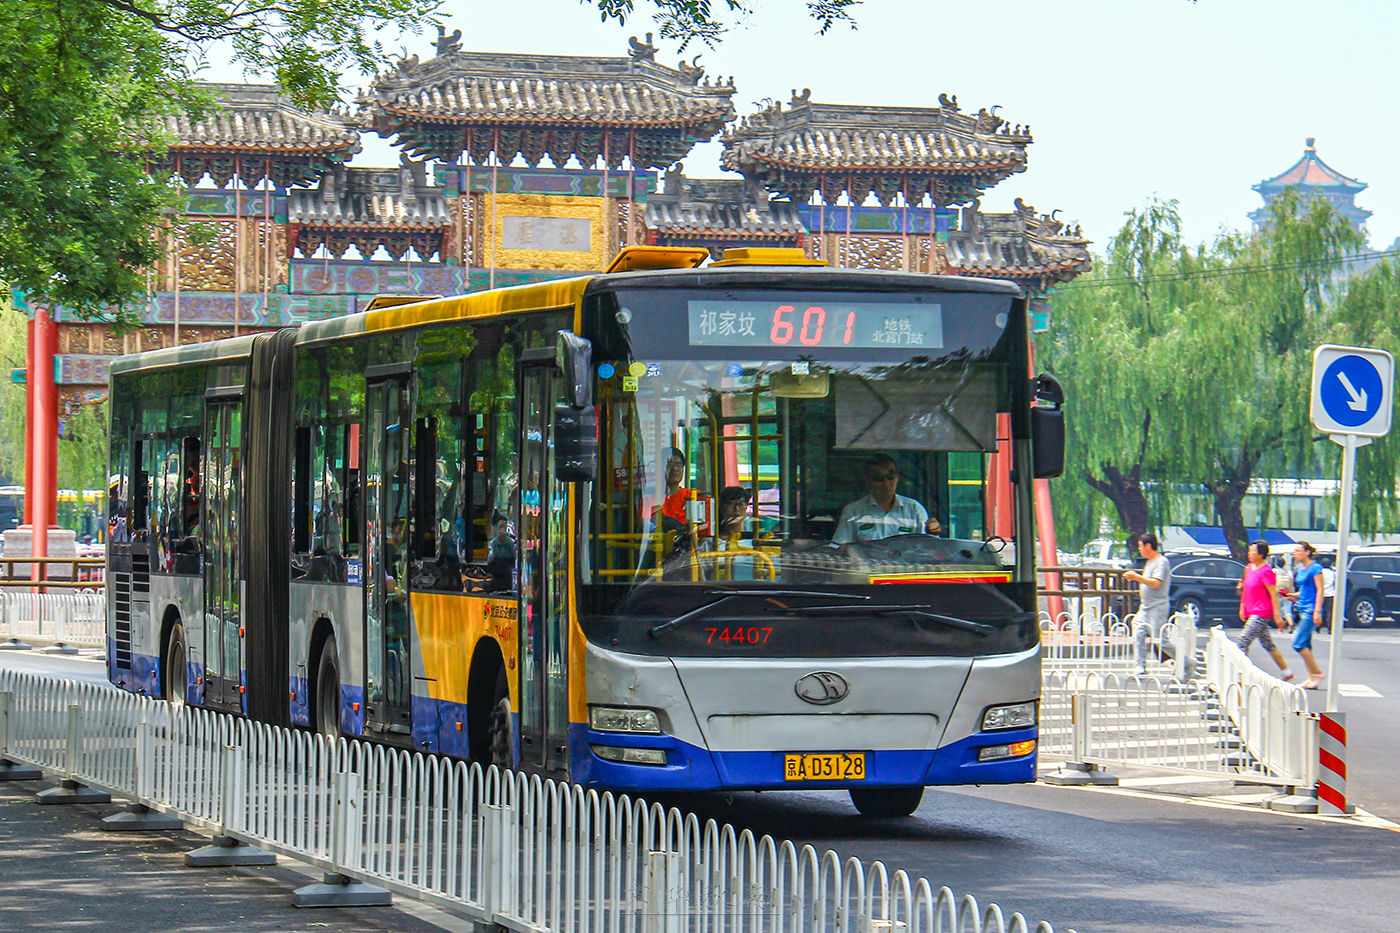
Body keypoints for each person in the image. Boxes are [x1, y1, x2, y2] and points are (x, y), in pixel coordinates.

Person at [831, 454, 942, 544]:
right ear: (867, 480)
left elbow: (927, 547)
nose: (886, 483)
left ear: (898, 477)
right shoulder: (852, 512)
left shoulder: (914, 509)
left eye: (890, 476)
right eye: (878, 478)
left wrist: (932, 532)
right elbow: (840, 547)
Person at [1236, 540, 1295, 681]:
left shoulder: (1266, 571)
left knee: (1243, 642)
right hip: (1251, 610)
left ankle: (1242, 674)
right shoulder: (1249, 568)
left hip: (1261, 612)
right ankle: (1286, 671)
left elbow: (1273, 594)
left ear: (1261, 554)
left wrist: (1277, 616)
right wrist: (1242, 607)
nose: (1249, 553)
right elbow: (1245, 589)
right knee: (1267, 643)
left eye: (1252, 551)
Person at [1122, 532, 1171, 676]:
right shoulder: (1149, 562)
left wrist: (1136, 577)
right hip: (1145, 606)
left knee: (1160, 640)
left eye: (1140, 546)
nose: (1139, 549)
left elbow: (1156, 583)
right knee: (1138, 631)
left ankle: (1185, 661)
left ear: (1148, 546)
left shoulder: (1161, 562)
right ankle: (1140, 667)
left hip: (1158, 605)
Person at [1286, 542, 1326, 689]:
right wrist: (1294, 596)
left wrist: (1317, 611)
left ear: (1307, 552)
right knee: (1306, 644)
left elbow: (1320, 590)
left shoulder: (1315, 568)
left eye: (1298, 551)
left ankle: (1317, 673)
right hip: (1302, 607)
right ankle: (1311, 679)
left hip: (1311, 609)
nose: (1295, 553)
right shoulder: (1300, 569)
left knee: (1298, 643)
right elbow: (1304, 589)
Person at [1319, 556, 1336, 635]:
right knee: (1330, 612)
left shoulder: (1319, 572)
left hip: (1320, 594)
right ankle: (1330, 628)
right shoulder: (1333, 573)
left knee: (1319, 610)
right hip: (1330, 594)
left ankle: (1318, 627)